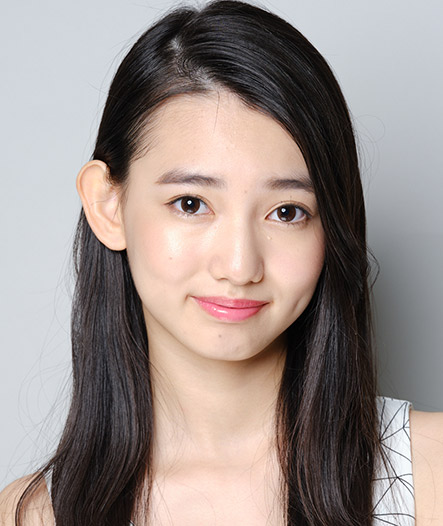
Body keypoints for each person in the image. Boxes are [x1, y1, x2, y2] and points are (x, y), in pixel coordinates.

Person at [1, 1, 442, 524]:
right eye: (191, 203)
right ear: (107, 205)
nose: (239, 265)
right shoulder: (35, 514)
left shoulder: (432, 469)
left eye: (287, 212)